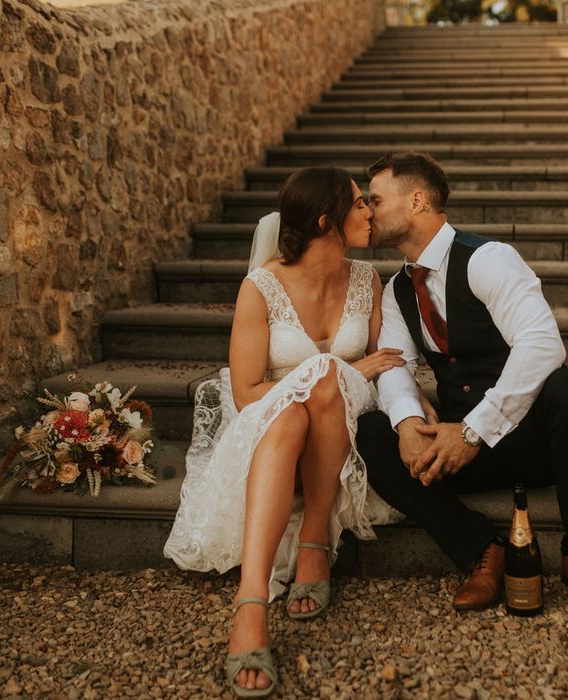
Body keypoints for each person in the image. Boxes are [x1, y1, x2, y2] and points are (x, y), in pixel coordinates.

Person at [164, 166, 418, 697]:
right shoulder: (261, 287)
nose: (370, 212)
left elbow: (385, 360)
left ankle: (289, 565)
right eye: (358, 205)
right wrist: (332, 373)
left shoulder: (368, 280)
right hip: (272, 421)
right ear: (327, 221)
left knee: (325, 383)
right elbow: (245, 392)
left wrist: (395, 399)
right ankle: (259, 595)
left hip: (343, 423)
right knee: (305, 397)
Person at [358, 151, 568, 616]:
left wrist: (474, 429)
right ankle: (481, 548)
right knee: (371, 432)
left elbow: (542, 344)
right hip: (460, 448)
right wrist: (408, 422)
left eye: (374, 199)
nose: (366, 212)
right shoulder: (396, 290)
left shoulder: (488, 259)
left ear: (416, 201)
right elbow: (393, 364)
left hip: (531, 439)